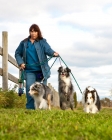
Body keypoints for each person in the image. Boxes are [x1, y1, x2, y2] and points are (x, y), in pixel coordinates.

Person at [15, 24, 59, 109]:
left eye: (35, 31)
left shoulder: (42, 42)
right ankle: (30, 109)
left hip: (41, 71)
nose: (33, 33)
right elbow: (17, 53)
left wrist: (53, 53)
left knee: (42, 91)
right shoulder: (24, 43)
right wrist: (21, 63)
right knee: (29, 88)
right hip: (29, 71)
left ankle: (43, 109)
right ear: (29, 32)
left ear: (38, 32)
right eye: (31, 31)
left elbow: (48, 50)